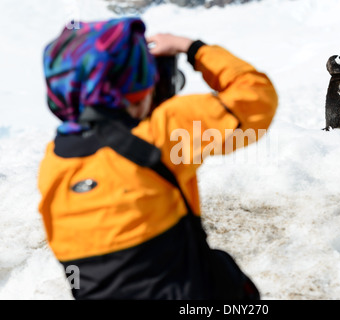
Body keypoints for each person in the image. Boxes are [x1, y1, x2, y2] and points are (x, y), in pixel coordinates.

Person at [38, 17, 278, 300]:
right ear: (135, 86)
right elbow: (257, 96)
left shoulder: (54, 162)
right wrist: (192, 48)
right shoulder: (162, 132)